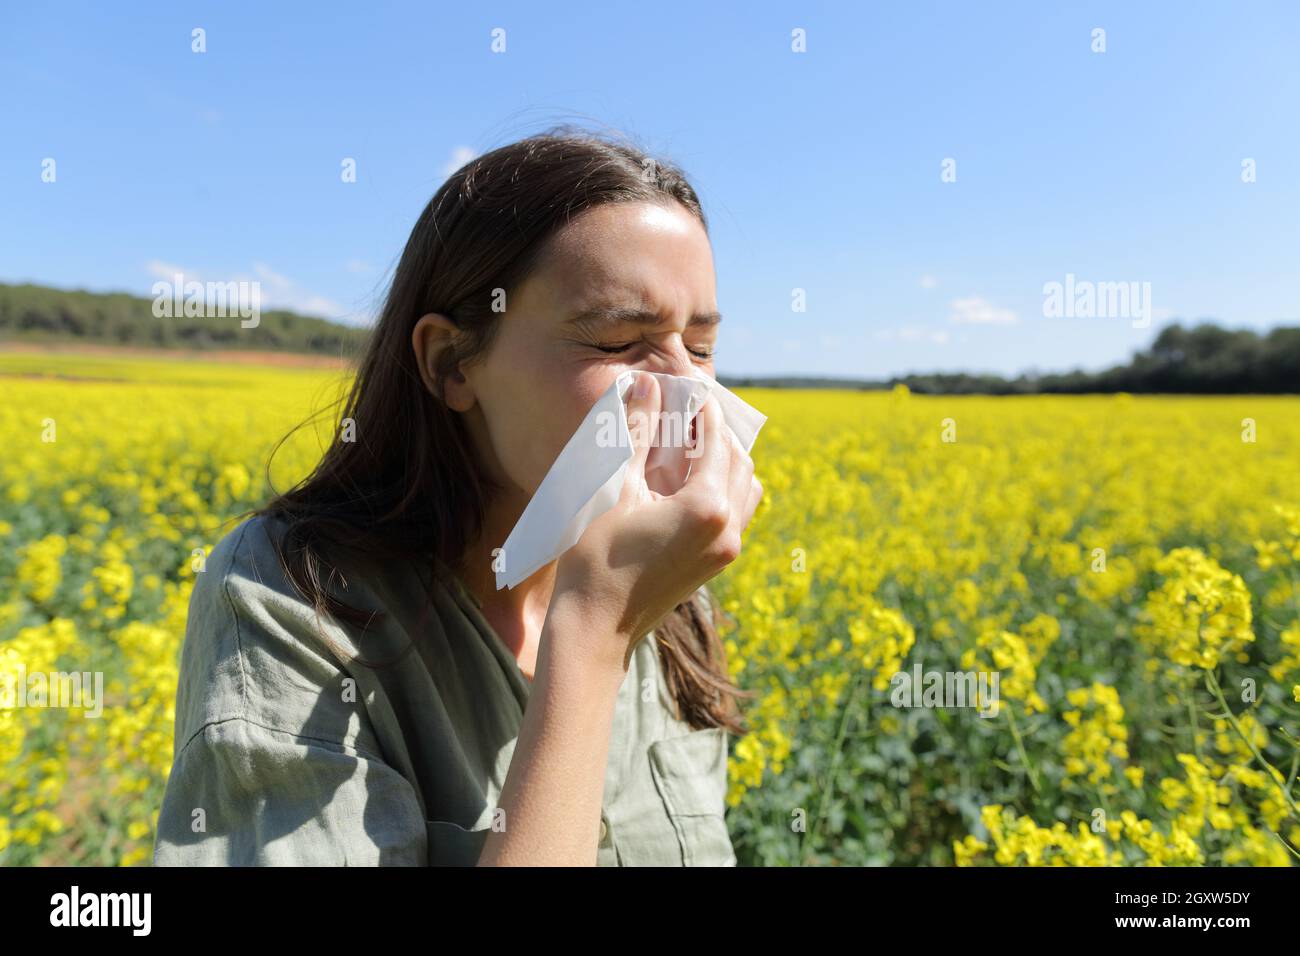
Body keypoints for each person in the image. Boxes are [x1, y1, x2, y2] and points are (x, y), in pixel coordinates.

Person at [151, 127, 763, 866]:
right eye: (616, 341)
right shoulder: (286, 600)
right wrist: (594, 635)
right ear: (450, 364)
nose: (687, 388)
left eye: (699, 346)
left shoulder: (677, 597)